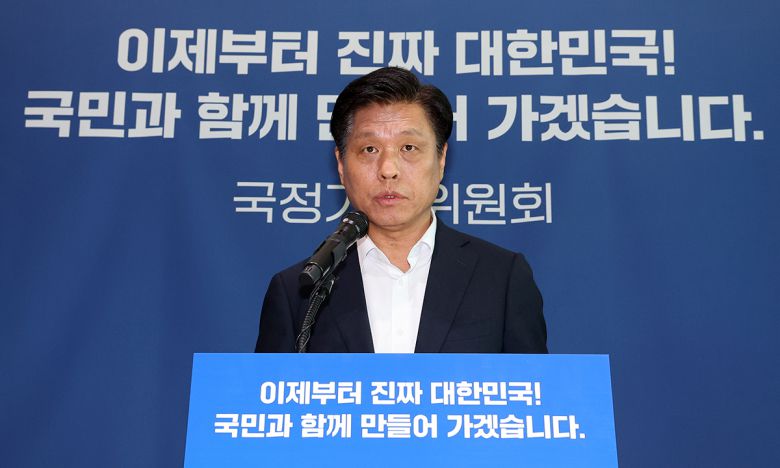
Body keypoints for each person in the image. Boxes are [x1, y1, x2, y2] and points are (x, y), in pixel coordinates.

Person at [255, 67, 547, 353]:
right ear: (341, 165)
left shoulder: (501, 279)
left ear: (441, 159)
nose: (388, 169)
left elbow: (533, 384)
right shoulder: (299, 290)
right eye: (369, 149)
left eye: (408, 148)